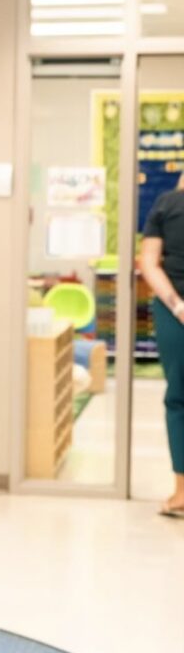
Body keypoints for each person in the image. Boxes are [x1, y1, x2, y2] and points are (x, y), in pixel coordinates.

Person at [140, 171, 184, 517]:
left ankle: (182, 494)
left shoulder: (166, 205)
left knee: (180, 398)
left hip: (176, 314)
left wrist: (177, 305)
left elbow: (149, 263)